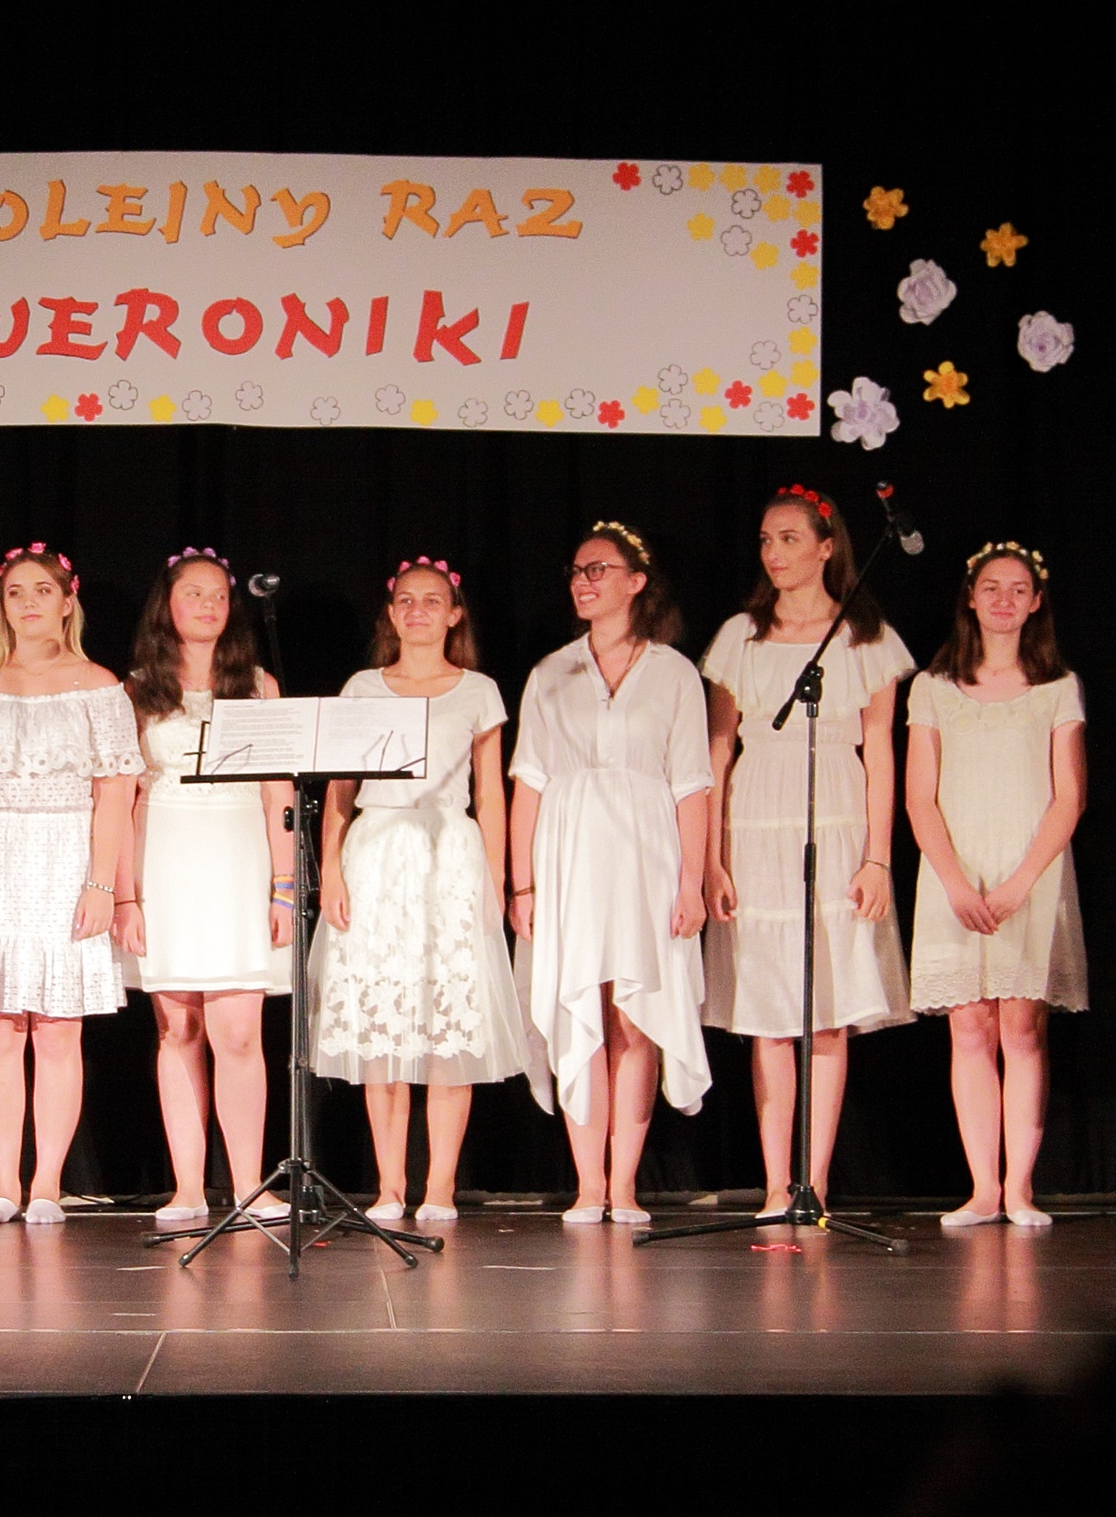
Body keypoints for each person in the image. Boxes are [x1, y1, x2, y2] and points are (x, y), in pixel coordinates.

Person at [701, 486, 914, 1217]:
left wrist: (878, 856)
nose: (774, 553)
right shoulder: (741, 636)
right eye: (766, 540)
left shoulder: (866, 636)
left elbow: (880, 750)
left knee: (826, 1012)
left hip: (837, 815)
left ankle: (811, 1182)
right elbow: (719, 748)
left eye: (789, 538)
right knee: (768, 1012)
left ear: (827, 547)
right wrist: (711, 859)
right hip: (756, 821)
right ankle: (774, 1183)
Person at [314, 557, 531, 1225]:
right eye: (406, 600)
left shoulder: (478, 690)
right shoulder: (362, 688)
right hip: (377, 855)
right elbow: (340, 791)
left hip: (448, 856)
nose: (417, 611)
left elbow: (491, 793)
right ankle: (389, 1187)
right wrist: (331, 871)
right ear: (390, 612)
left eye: (432, 601)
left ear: (454, 614)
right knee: (383, 1025)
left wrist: (496, 877)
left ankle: (439, 1186)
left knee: (445, 1023)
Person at [511, 521, 715, 1227]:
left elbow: (692, 785)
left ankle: (623, 1184)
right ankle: (588, 1184)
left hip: (645, 856)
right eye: (576, 570)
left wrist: (690, 883)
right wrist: (522, 884)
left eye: (597, 569)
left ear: (636, 582)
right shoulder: (551, 673)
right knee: (580, 1013)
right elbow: (528, 784)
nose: (583, 581)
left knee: (634, 1015)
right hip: (569, 857)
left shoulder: (675, 674)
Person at [0, 545, 142, 1226]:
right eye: (16, 592)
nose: (29, 603)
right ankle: (3, 1182)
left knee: (57, 1030)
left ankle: (48, 1182)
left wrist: (102, 884)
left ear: (67, 600)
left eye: (42, 591)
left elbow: (115, 794)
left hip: (64, 860)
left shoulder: (99, 686)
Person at [902, 542, 1088, 1229]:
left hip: (1029, 872)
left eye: (1017, 589)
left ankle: (1019, 1187)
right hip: (956, 873)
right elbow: (919, 797)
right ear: (971, 598)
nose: (1003, 600)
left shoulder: (1056, 687)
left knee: (1022, 1027)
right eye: (990, 587)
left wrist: (1020, 883)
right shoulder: (933, 687)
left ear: (1036, 602)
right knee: (970, 1027)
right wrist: (954, 882)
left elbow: (1069, 797)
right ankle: (983, 1188)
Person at [116, 549, 293, 1226]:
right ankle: (189, 1188)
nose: (209, 605)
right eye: (194, 593)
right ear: (167, 605)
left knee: (239, 1032)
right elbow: (125, 801)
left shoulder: (259, 686)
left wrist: (283, 888)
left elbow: (278, 794)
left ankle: (249, 1185)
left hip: (239, 860)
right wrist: (127, 895)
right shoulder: (137, 691)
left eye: (219, 595)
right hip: (165, 860)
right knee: (179, 1028)